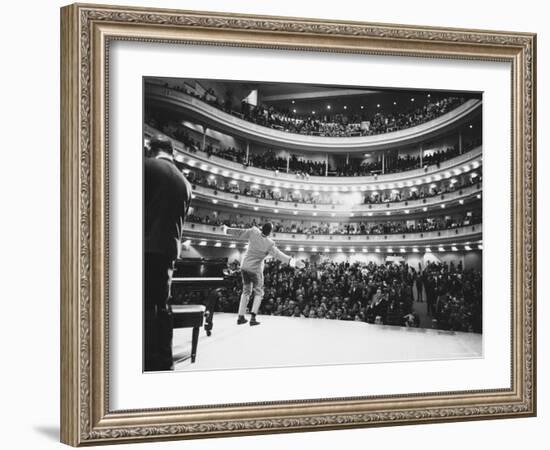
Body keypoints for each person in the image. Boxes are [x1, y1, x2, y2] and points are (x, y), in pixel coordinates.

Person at [144, 134, 192, 371]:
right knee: (160, 308)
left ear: (151, 149)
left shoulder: (147, 166)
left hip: (145, 246)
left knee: (143, 308)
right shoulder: (185, 182)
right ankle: (163, 362)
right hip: (168, 250)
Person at [221, 222, 304, 326]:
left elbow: (239, 232)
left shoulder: (253, 231)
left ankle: (240, 317)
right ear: (270, 232)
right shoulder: (269, 244)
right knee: (259, 293)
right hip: (255, 270)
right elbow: (280, 256)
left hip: (244, 266)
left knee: (246, 292)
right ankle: (253, 318)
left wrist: (226, 229)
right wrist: (295, 262)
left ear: (261, 228)